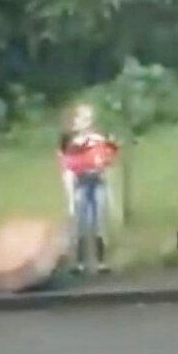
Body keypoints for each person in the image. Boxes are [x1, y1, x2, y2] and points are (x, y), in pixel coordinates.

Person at [59, 104, 119, 274]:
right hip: (80, 184)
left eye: (90, 118)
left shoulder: (98, 140)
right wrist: (70, 196)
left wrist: (110, 190)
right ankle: (80, 262)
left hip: (97, 182)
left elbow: (106, 164)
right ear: (76, 121)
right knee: (80, 222)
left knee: (99, 222)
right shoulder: (71, 144)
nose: (88, 122)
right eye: (84, 118)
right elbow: (68, 169)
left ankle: (100, 261)